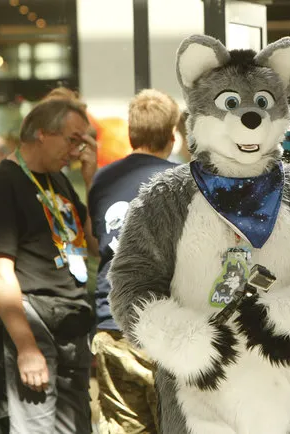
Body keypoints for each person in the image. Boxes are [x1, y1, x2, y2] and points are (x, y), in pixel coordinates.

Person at [0, 98, 99, 433]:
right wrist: (27, 347)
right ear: (41, 134)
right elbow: (0, 273)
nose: (76, 151)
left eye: (83, 142)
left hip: (72, 320)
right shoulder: (3, 185)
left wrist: (90, 179)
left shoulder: (58, 179)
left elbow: (96, 244)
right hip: (34, 318)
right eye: (73, 140)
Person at [88, 89, 180, 434]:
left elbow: (98, 243)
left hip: (114, 323)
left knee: (124, 427)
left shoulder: (103, 179)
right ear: (173, 136)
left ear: (131, 134)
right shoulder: (185, 183)